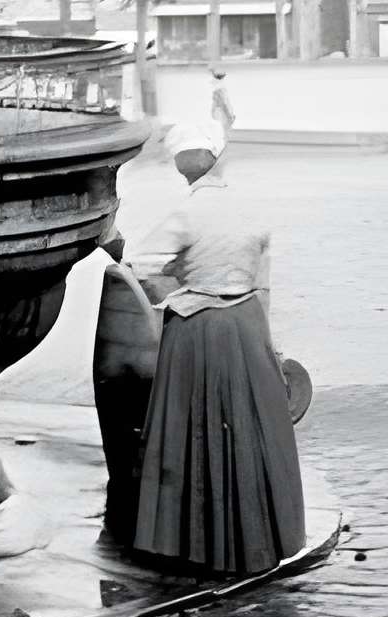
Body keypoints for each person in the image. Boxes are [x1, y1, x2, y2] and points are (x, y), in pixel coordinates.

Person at [121, 122, 305, 576]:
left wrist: (178, 287)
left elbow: (138, 264)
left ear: (185, 168)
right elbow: (263, 286)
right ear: (217, 159)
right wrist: (272, 345)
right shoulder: (252, 212)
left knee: (191, 431)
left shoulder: (185, 215)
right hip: (245, 324)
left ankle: (193, 544)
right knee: (247, 430)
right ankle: (256, 541)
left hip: (197, 328)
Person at [209, 66, 235, 146]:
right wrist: (229, 115)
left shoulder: (215, 86)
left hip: (219, 112)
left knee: (221, 133)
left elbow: (217, 103)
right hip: (221, 113)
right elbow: (223, 103)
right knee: (223, 133)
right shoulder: (220, 88)